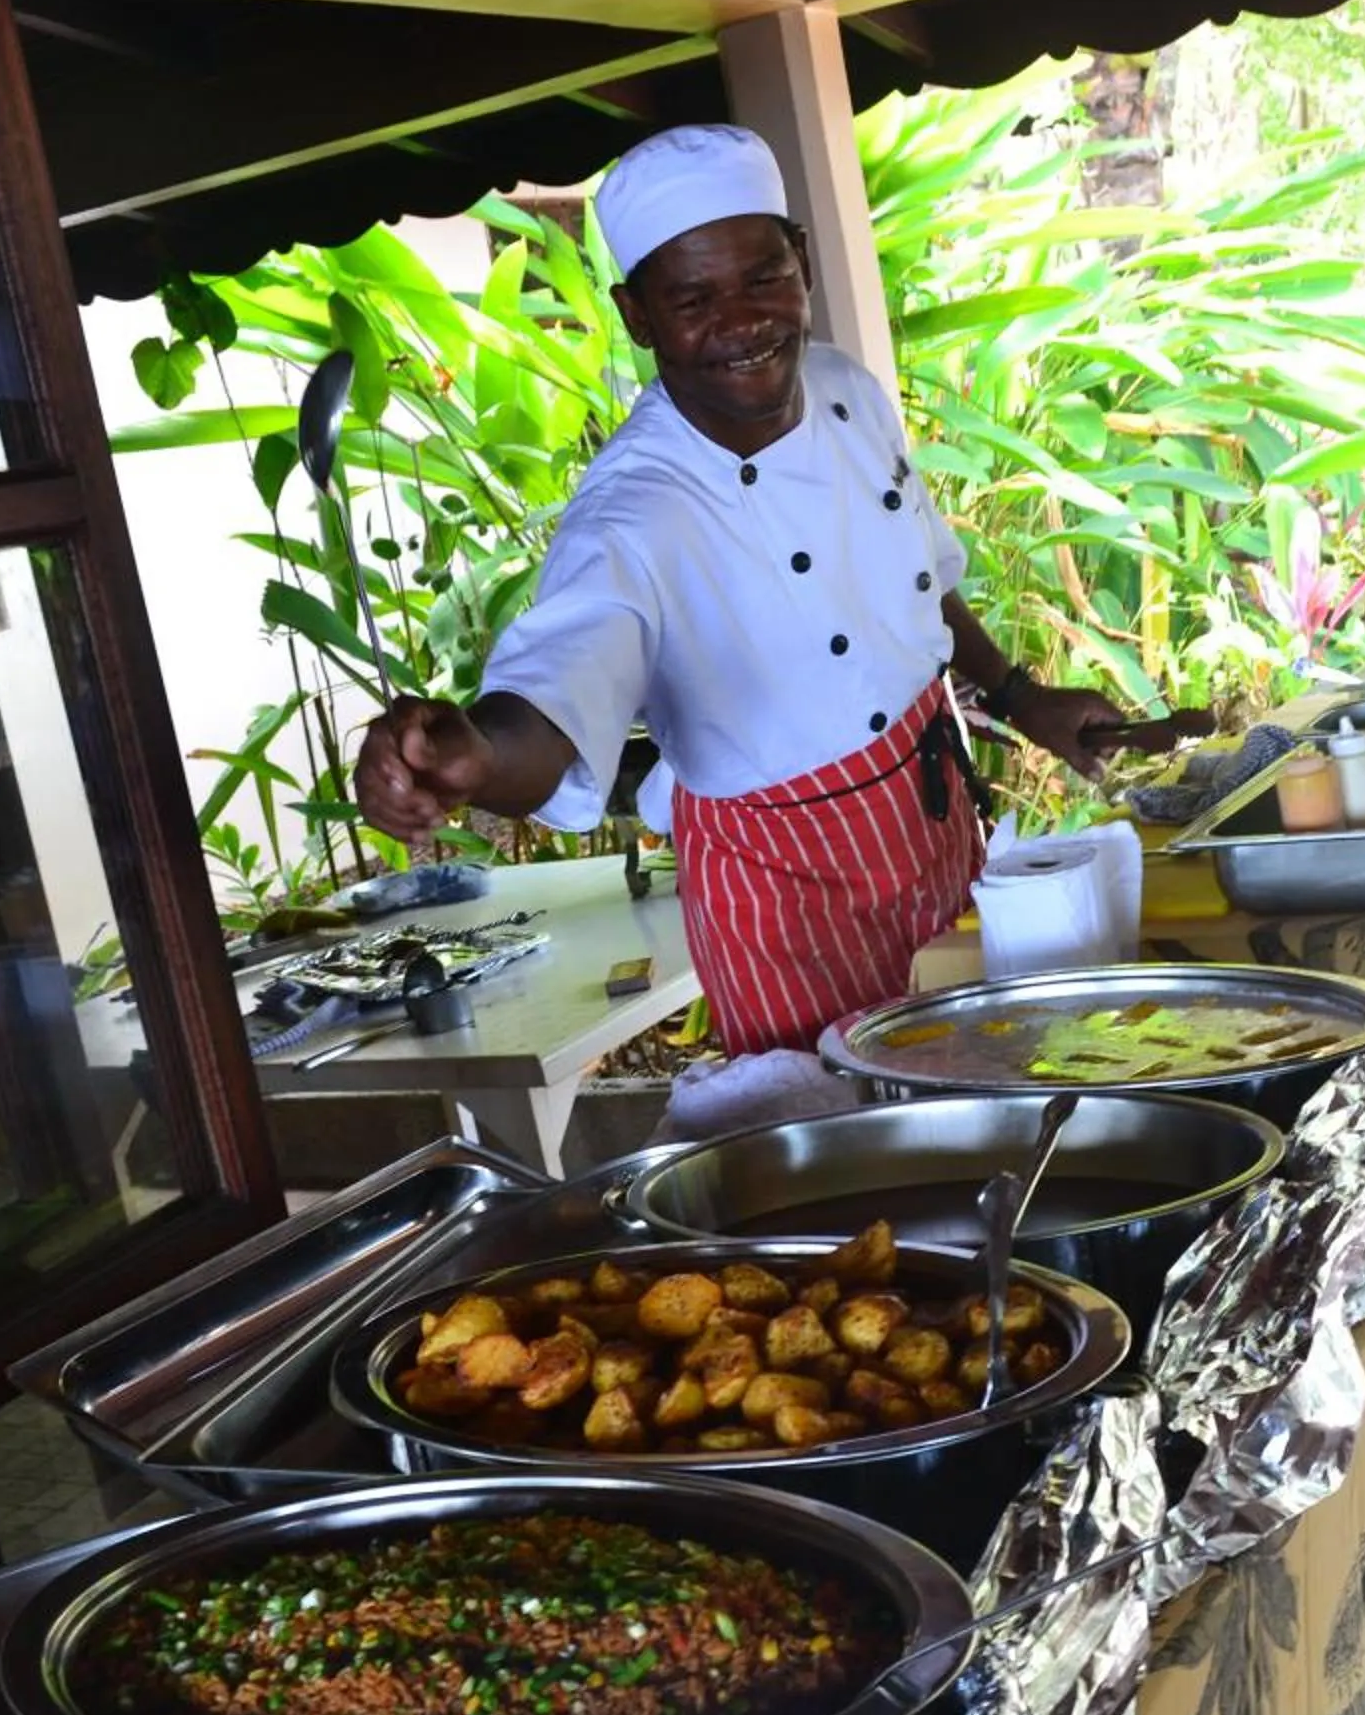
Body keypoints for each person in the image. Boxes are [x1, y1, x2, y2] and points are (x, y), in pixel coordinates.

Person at [353, 124, 1120, 1055]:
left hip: (930, 826)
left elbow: (916, 577)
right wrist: (471, 757)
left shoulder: (845, 386)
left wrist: (1020, 696)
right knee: (854, 1162)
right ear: (638, 317)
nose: (743, 321)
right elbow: (551, 700)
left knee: (1000, 1075)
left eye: (763, 278)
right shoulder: (633, 511)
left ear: (801, 262)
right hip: (782, 895)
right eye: (693, 299)